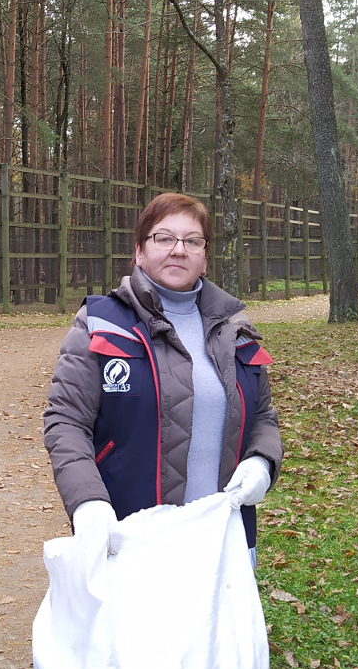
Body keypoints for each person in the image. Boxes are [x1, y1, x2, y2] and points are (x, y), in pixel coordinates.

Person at [44, 192, 279, 556]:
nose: (179, 249)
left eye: (192, 241)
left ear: (204, 258)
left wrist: (262, 459)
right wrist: (88, 501)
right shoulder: (101, 322)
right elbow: (66, 422)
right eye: (164, 238)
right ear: (139, 251)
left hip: (224, 538)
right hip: (130, 537)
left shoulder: (236, 330)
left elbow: (263, 415)